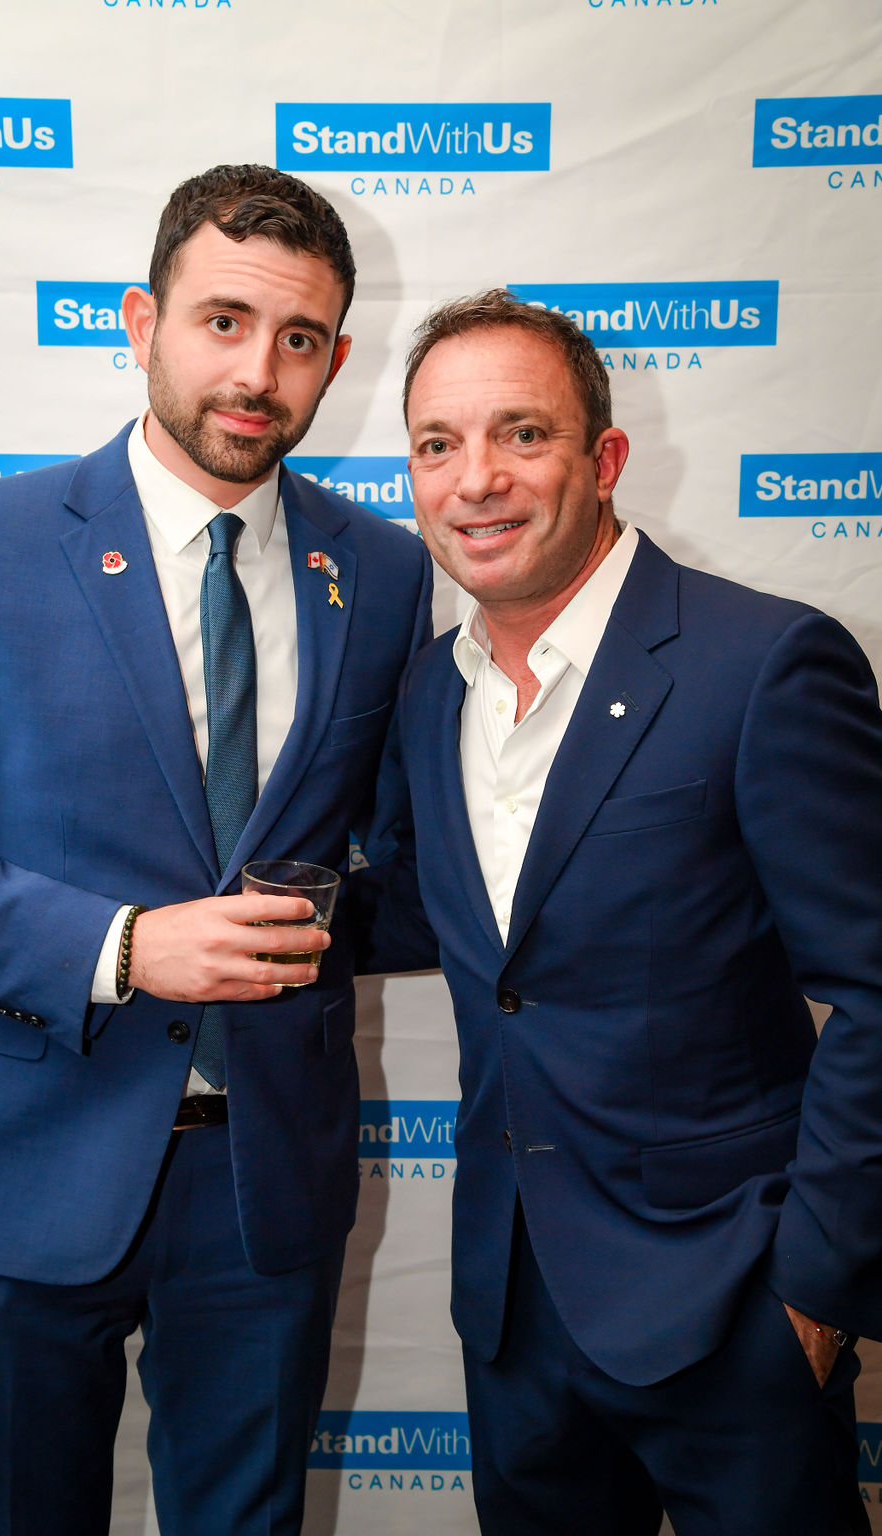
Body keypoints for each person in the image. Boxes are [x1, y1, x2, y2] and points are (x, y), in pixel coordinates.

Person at [0, 164, 432, 1536]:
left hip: (264, 1186)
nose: (258, 373)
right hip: (15, 1167)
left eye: (299, 339)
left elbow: (405, 872)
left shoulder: (385, 571)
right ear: (141, 321)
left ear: (337, 358)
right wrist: (126, 948)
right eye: (223, 321)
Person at [358, 288, 882, 1535]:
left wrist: (812, 1292)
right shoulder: (429, 688)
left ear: (603, 460)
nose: (475, 480)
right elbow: (459, 921)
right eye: (437, 445)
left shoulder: (762, 664)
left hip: (730, 1306)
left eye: (520, 434)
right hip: (511, 1315)